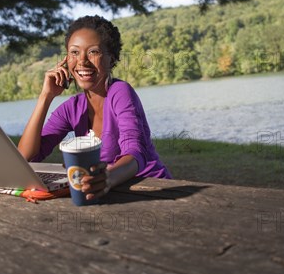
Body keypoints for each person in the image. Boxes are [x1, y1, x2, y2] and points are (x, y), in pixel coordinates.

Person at [18, 15, 171, 201]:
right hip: (103, 194)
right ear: (66, 59)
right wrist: (45, 97)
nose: (82, 61)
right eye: (74, 52)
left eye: (93, 52)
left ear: (111, 59)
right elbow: (26, 157)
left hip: (149, 191)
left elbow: (135, 152)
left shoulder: (120, 92)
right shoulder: (71, 108)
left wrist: (109, 177)